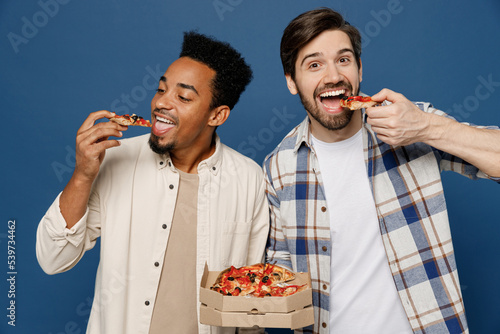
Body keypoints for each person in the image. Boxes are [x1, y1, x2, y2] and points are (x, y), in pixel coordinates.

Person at [263, 8, 500, 334]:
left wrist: (427, 127)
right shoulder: (279, 167)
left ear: (360, 69)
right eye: (314, 64)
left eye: (343, 60)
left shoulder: (412, 123)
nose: (333, 76)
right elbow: (278, 274)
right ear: (292, 81)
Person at [36, 31, 269, 334]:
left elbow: (249, 303)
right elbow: (53, 259)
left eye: (183, 97)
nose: (162, 103)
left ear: (217, 115)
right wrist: (82, 175)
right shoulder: (116, 158)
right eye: (161, 89)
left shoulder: (249, 179)